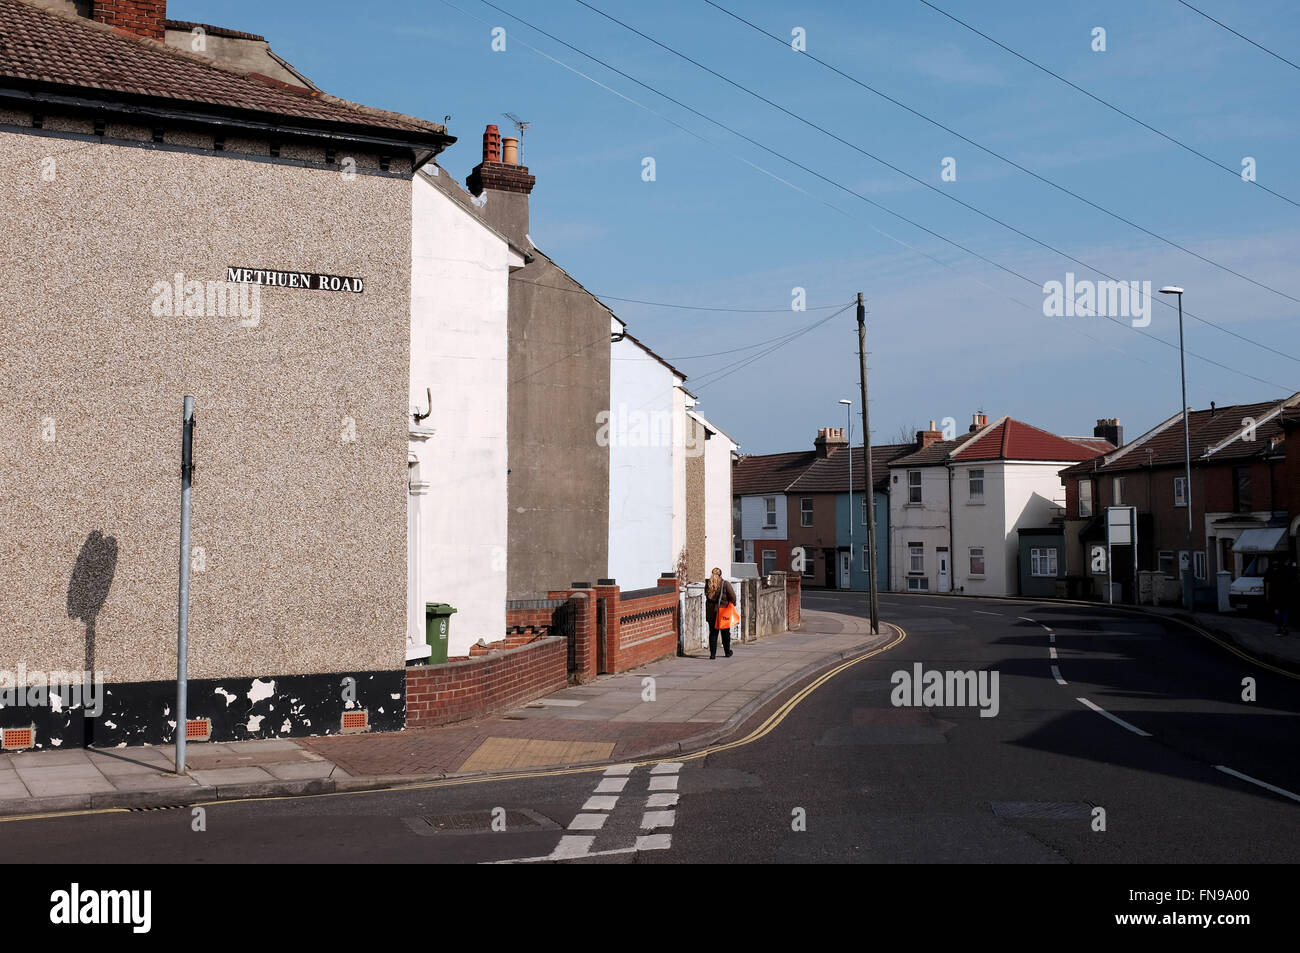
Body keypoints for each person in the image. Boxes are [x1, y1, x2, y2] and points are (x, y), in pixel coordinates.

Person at [704, 567, 737, 659]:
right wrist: (733, 603)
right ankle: (727, 652)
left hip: (711, 613)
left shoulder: (708, 584)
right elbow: (733, 596)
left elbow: (707, 596)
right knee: (725, 633)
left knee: (713, 633)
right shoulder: (725, 584)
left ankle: (712, 654)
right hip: (723, 612)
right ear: (720, 575)